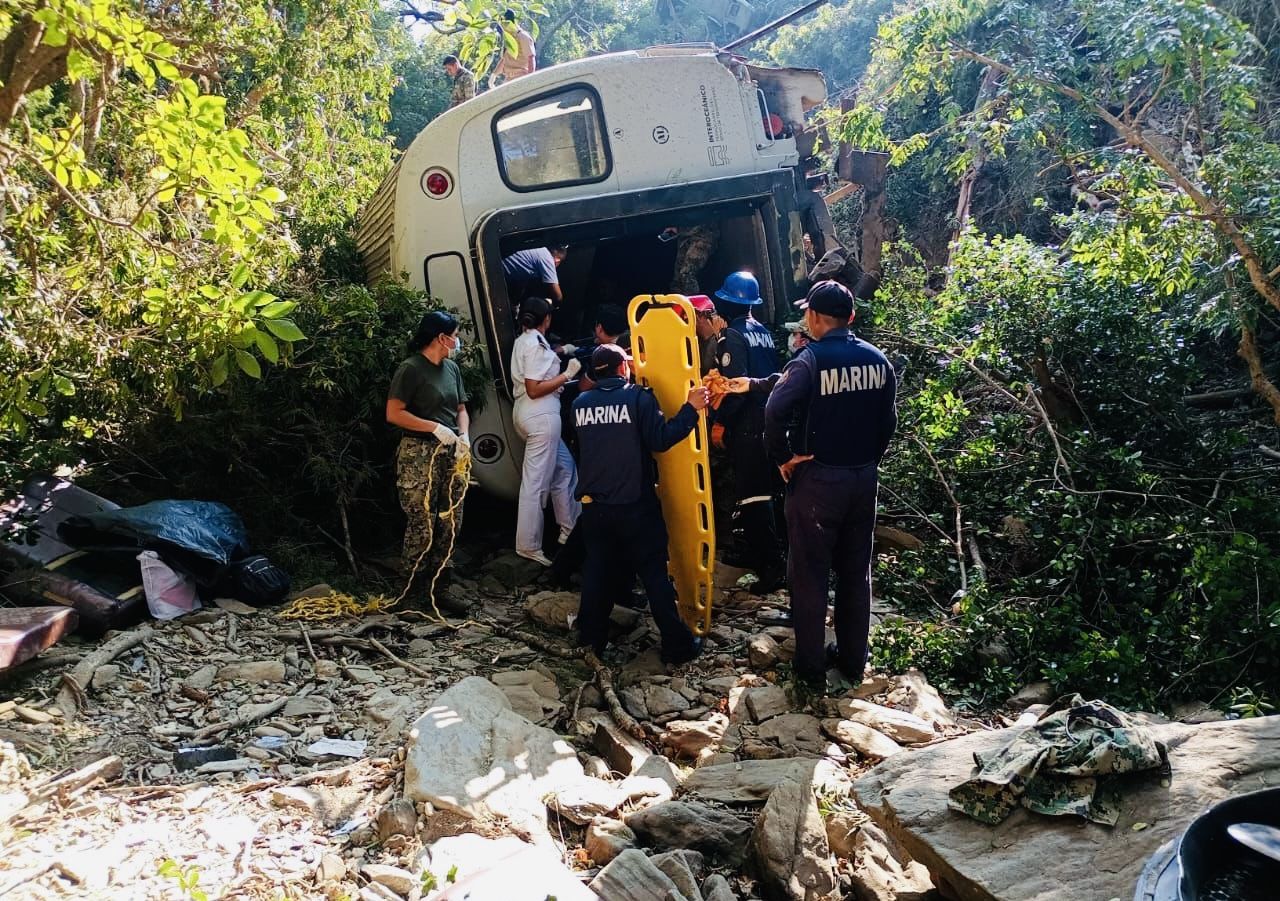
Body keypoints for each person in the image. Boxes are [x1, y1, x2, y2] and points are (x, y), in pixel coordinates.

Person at [763, 281, 897, 690]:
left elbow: (774, 411)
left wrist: (784, 458)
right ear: (852, 317)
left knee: (809, 573)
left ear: (815, 318)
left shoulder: (809, 361)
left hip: (818, 481)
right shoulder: (878, 360)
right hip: (862, 478)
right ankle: (854, 661)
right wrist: (870, 460)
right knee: (856, 572)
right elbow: (888, 421)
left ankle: (810, 669)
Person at [573, 344, 709, 664]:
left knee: (597, 573)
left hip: (594, 507)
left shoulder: (580, 404)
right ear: (623, 367)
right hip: (635, 506)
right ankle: (678, 646)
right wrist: (690, 408)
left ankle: (590, 642)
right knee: (654, 576)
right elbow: (661, 439)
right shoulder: (638, 398)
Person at [385, 311, 471, 602]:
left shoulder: (451, 369)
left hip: (451, 451)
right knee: (422, 519)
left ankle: (440, 586)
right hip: (419, 452)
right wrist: (433, 427)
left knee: (451, 518)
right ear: (440, 337)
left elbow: (461, 408)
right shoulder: (411, 369)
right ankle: (410, 589)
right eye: (455, 336)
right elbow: (394, 413)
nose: (457, 342)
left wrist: (463, 435)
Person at [709, 271, 785, 593]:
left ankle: (771, 569)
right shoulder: (763, 333)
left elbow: (733, 387)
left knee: (753, 498)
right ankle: (772, 556)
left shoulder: (732, 337)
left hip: (748, 426)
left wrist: (721, 420)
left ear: (726, 303)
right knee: (770, 495)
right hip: (769, 421)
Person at [511, 297, 582, 566]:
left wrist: (561, 351)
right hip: (540, 413)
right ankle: (528, 545)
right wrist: (567, 375)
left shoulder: (526, 340)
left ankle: (570, 527)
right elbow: (534, 387)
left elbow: (542, 358)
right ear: (547, 319)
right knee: (535, 483)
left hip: (527, 413)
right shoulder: (535, 344)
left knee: (564, 467)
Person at [493, 9, 536, 82]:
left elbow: (531, 58)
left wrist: (530, 80)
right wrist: (494, 75)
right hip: (508, 79)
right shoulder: (509, 39)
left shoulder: (522, 36)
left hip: (521, 78)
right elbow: (504, 60)